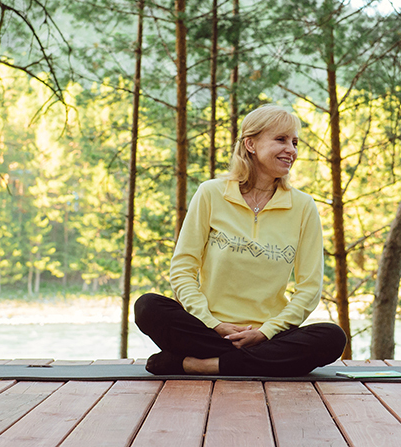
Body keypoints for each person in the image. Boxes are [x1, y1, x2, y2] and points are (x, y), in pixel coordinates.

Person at [135, 104, 347, 376]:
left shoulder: (303, 207)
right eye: (281, 140)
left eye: (294, 142)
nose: (292, 150)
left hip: (269, 336)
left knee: (332, 337)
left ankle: (197, 364)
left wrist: (265, 332)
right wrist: (213, 324)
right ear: (250, 144)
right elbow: (183, 269)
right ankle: (252, 362)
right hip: (207, 330)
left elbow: (309, 289)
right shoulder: (211, 194)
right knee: (147, 306)